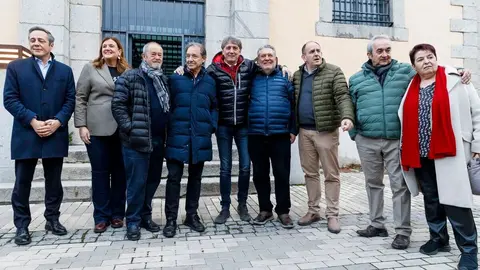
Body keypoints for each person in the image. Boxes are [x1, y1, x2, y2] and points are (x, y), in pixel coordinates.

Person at [349, 35, 472, 250]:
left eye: (388, 49)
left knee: (403, 187)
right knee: (376, 184)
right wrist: (355, 135)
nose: (385, 54)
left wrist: (460, 70)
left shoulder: (405, 71)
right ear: (369, 55)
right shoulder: (357, 78)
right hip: (375, 141)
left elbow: (434, 67)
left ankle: (403, 232)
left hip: (401, 141)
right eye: (379, 51)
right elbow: (349, 104)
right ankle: (378, 224)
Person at [175, 36, 290, 224]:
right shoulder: (213, 70)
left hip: (244, 125)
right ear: (222, 50)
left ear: (240, 50)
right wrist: (182, 69)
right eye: (228, 48)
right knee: (225, 168)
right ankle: (225, 207)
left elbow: (267, 62)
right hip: (223, 126)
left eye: (235, 48)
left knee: (245, 167)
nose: (231, 51)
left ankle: (242, 204)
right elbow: (197, 75)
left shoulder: (248, 66)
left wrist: (283, 66)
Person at [399, 44, 479, 270]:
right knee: (431, 199)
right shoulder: (411, 86)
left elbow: (477, 112)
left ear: (437, 58)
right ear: (414, 65)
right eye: (420, 59)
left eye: (430, 56)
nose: (427, 61)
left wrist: (478, 144)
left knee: (456, 201)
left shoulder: (456, 80)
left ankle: (469, 250)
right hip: (422, 154)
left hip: (449, 152)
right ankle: (439, 238)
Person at [3, 26, 75, 245]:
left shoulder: (64, 71)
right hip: (27, 133)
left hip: (55, 132)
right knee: (22, 182)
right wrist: (33, 120)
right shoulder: (16, 68)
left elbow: (70, 100)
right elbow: (10, 99)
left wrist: (59, 121)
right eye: (32, 39)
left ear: (51, 45)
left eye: (41, 40)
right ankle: (22, 226)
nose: (36, 43)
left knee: (54, 182)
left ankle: (52, 219)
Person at [293, 41, 354, 234]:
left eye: (318, 50)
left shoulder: (334, 71)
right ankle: (313, 211)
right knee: (310, 174)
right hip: (304, 132)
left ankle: (333, 214)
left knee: (331, 174)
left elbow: (343, 96)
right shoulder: (297, 75)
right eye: (312, 52)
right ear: (304, 57)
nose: (317, 54)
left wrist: (346, 116)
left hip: (326, 131)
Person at [111, 42, 169, 241]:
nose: (157, 57)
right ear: (144, 57)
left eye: (160, 54)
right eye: (153, 54)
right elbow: (118, 106)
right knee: (137, 183)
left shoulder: (163, 80)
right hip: (136, 142)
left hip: (159, 141)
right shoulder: (130, 76)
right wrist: (131, 128)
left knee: (152, 181)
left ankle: (145, 217)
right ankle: (133, 221)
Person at [162, 43, 218, 238]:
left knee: (195, 179)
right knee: (173, 179)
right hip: (177, 136)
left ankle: (191, 216)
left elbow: (215, 106)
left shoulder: (210, 81)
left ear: (203, 58)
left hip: (199, 136)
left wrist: (212, 124)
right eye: (188, 56)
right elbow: (165, 104)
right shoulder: (175, 78)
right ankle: (170, 220)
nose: (190, 59)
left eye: (194, 56)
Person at [75, 37, 129, 233]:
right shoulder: (91, 68)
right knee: (100, 174)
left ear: (119, 51)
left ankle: (117, 215)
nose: (107, 48)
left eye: (111, 46)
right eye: (104, 46)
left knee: (120, 174)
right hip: (97, 130)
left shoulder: (127, 71)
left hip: (122, 130)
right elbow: (80, 97)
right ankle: (101, 216)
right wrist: (81, 125)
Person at [248, 45, 296, 229]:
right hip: (256, 133)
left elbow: (293, 104)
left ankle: (283, 211)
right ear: (257, 60)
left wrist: (293, 129)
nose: (267, 58)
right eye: (263, 56)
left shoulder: (285, 77)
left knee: (282, 174)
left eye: (270, 56)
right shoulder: (251, 78)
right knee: (260, 175)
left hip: (280, 134)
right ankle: (265, 210)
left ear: (276, 59)